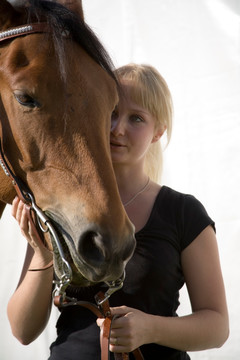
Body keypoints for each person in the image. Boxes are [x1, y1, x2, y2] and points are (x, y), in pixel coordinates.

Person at [8, 63, 229, 359]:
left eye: (136, 118)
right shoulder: (60, 204)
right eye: (112, 112)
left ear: (158, 132)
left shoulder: (184, 212)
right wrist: (43, 254)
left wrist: (150, 328)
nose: (118, 128)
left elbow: (217, 326)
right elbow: (22, 330)